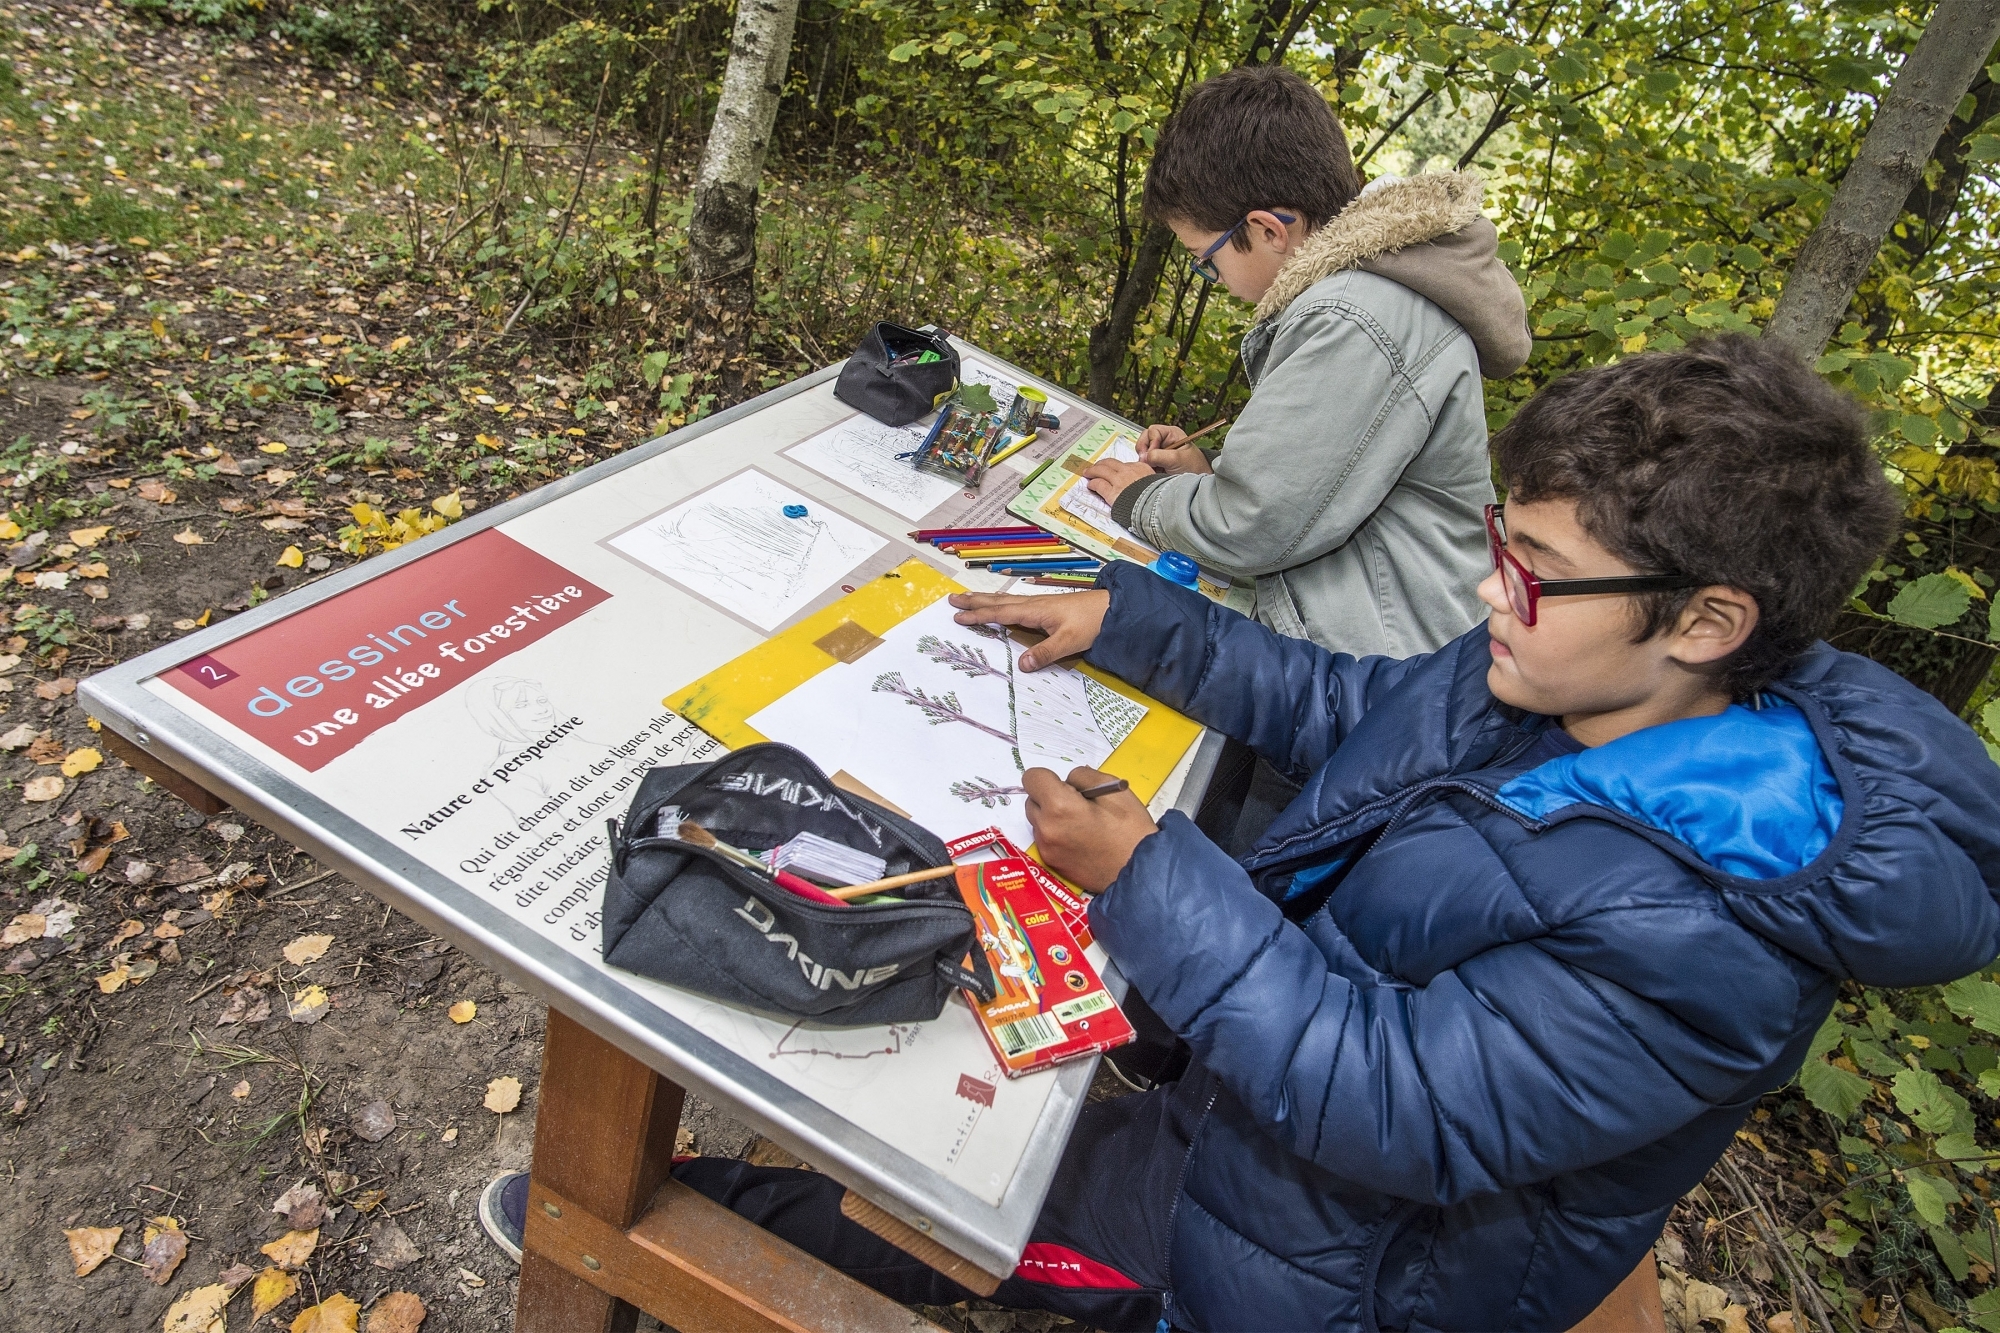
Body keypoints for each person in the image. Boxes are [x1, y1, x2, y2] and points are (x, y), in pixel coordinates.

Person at [481, 337, 2000, 1331]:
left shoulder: (1713, 932)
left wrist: (1147, 876)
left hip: (1312, 1267)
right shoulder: (1571, 690)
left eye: (1533, 571)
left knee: (960, 1188)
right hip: (1222, 1090)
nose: (1489, 595)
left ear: (1708, 621)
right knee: (926, 1080)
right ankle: (689, 1210)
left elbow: (1394, 1106)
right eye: (1499, 547)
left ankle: (661, 1239)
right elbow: (1349, 702)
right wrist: (1129, 617)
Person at [1084, 64, 1532, 659]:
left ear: (1268, 229)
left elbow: (1253, 528)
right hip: (1377, 636)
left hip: (1375, 665)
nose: (1211, 278)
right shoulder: (1372, 290)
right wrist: (1208, 477)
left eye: (1205, 258)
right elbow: (1321, 485)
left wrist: (1144, 499)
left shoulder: (1355, 316)